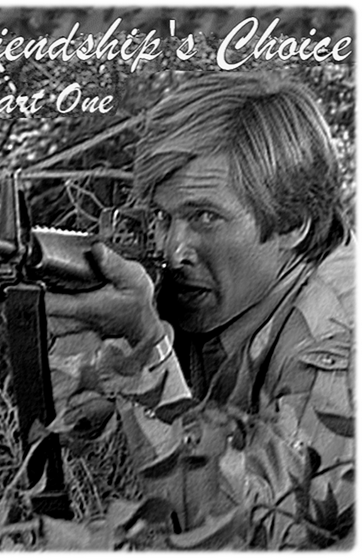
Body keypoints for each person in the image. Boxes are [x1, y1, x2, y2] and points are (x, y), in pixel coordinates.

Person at [46, 71, 354, 549]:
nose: (173, 251)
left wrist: (145, 349)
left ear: (293, 224)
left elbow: (244, 534)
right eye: (162, 217)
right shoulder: (211, 291)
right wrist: (84, 329)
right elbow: (74, 447)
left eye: (205, 217)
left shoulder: (341, 335)